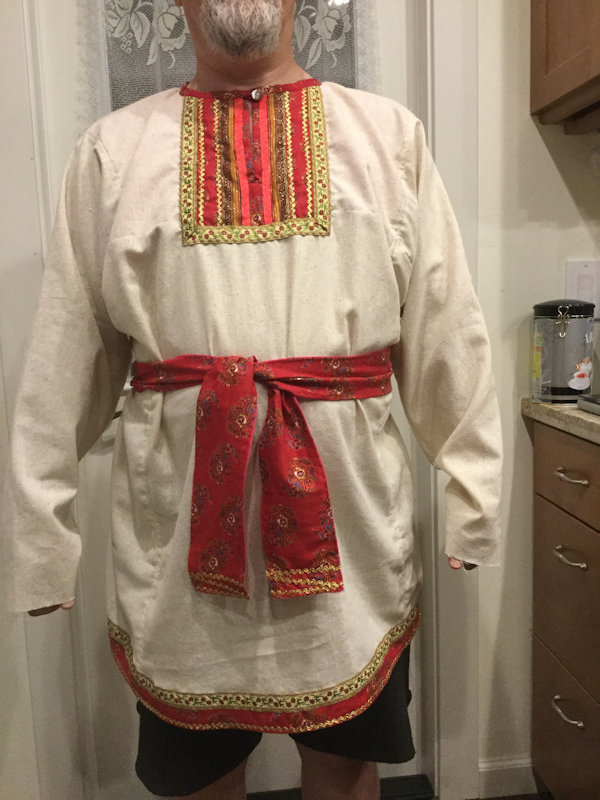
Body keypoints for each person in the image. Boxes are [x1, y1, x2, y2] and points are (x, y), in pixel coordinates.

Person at [1, 1, 502, 798]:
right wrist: (41, 539)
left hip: (353, 541)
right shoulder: (112, 153)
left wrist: (474, 491)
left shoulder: (388, 138)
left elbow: (447, 326)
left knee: (345, 771)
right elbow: (68, 350)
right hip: (179, 552)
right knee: (200, 778)